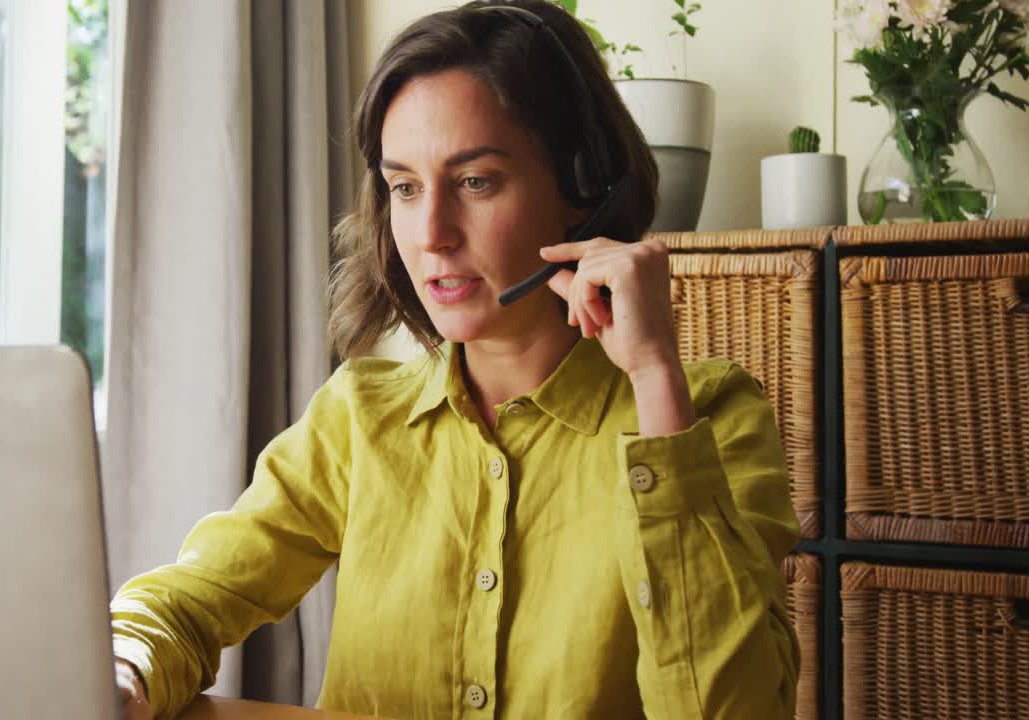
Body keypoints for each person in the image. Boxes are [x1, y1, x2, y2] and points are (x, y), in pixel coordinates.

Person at [112, 1, 800, 718]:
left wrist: (655, 378)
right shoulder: (358, 417)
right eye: (405, 187)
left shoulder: (709, 420)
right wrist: (126, 668)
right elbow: (192, 597)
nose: (432, 234)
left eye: (476, 181)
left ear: (582, 186)